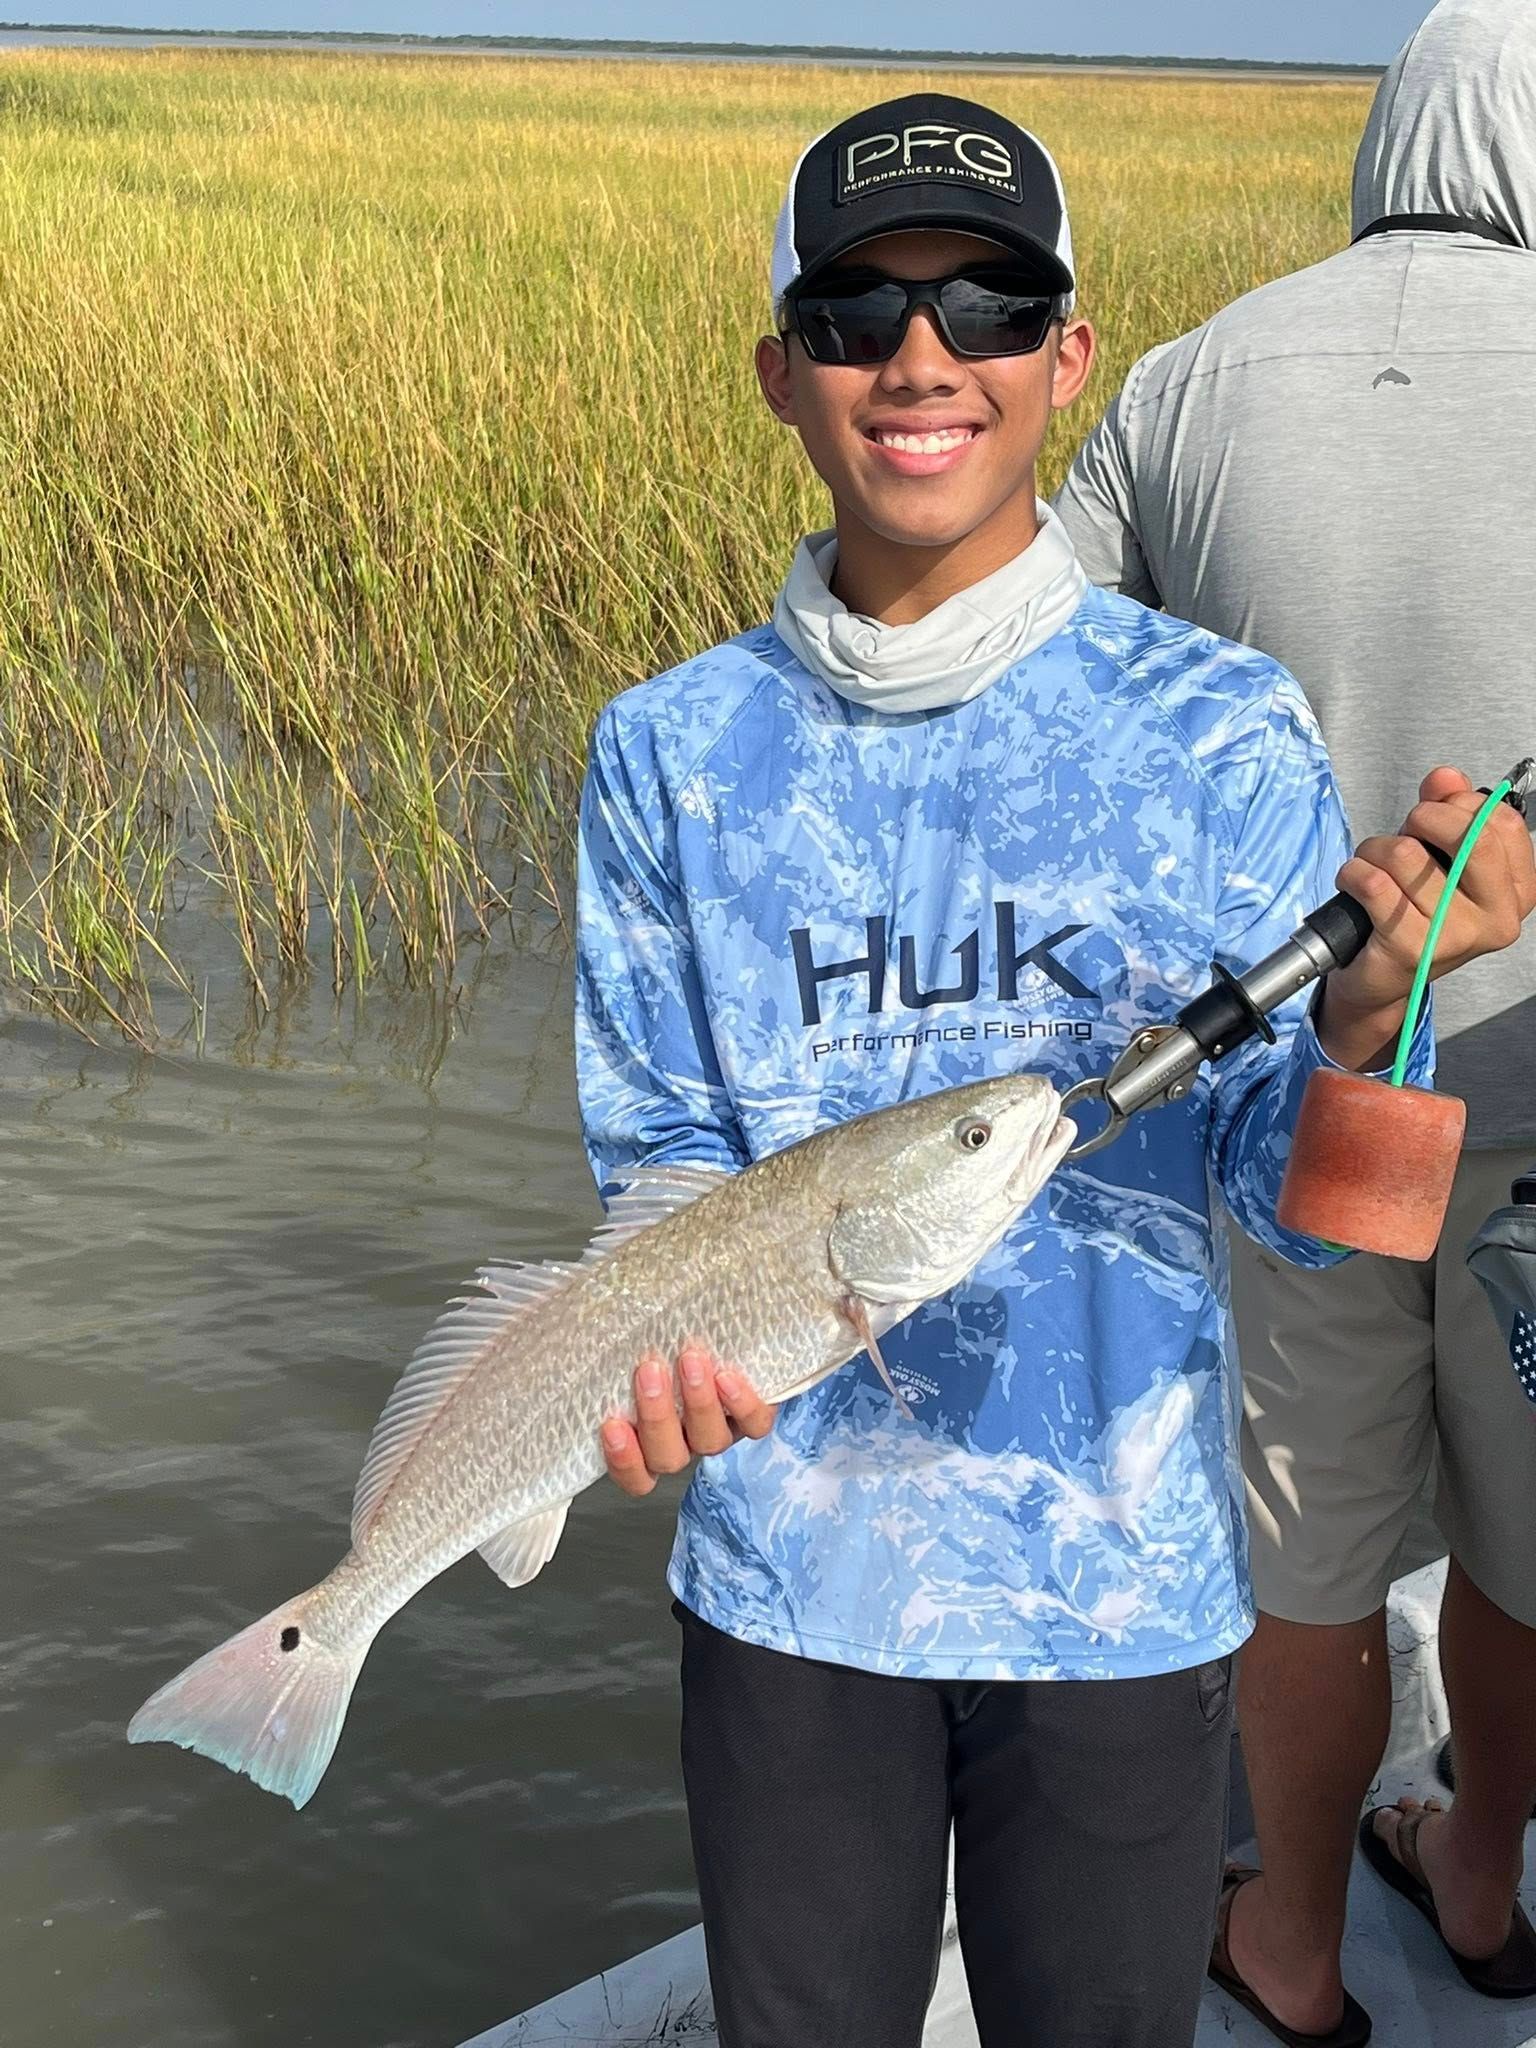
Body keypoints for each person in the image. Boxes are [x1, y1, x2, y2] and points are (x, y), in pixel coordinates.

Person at [574, 89, 1535, 2048]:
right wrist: (638, 1364)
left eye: (990, 304)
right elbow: (661, 1155)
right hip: (785, 1589)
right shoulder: (664, 749)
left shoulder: (1217, 723)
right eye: (855, 312)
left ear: (1068, 357)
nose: (922, 358)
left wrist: (1374, 1009)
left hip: (1127, 1598)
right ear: (782, 370)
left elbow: (1327, 1224)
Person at [1055, 2, 1536, 2040]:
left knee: (1310, 1546)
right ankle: (1489, 1885)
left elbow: (1044, 698)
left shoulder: (1187, 380)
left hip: (1309, 1103)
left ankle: (1295, 1947)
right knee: (1520, 1535)